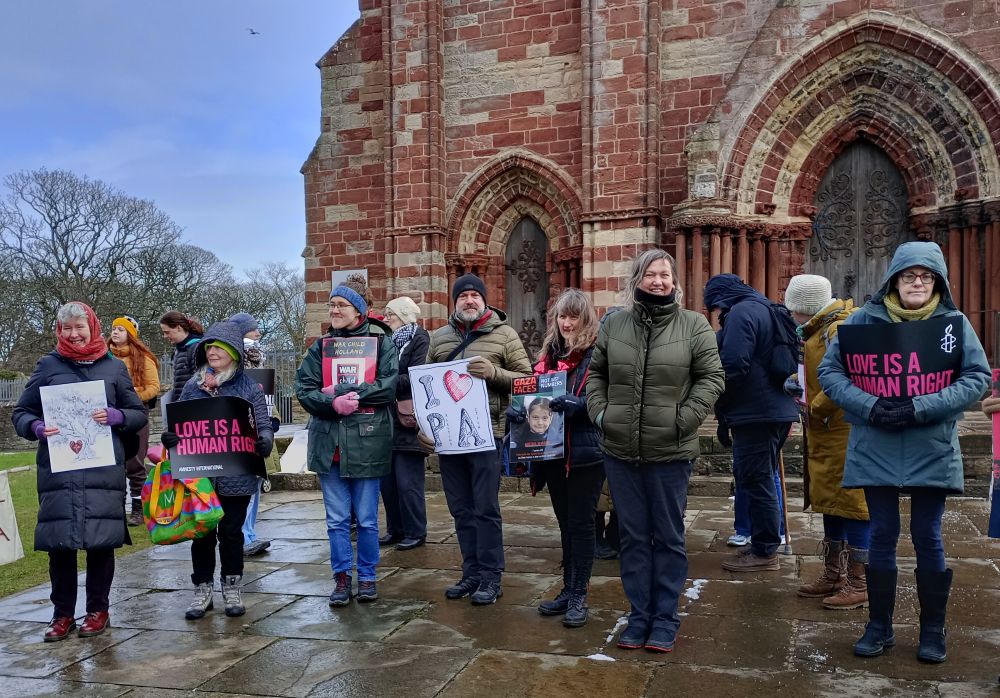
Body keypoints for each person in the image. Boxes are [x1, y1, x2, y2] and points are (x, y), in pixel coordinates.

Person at [818, 241, 990, 662]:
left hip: (930, 443)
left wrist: (919, 406)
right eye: (909, 275)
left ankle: (932, 630)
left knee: (927, 535)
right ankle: (879, 626)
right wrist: (870, 405)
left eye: (926, 276)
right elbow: (831, 372)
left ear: (938, 282)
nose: (918, 282)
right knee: (881, 534)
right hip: (875, 442)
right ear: (894, 279)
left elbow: (976, 377)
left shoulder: (953, 323)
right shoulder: (863, 320)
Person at [588, 250, 725, 652]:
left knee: (667, 536)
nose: (658, 281)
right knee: (631, 537)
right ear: (637, 279)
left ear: (674, 281)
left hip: (670, 452)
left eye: (665, 274)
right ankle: (639, 615)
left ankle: (665, 618)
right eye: (650, 274)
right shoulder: (615, 324)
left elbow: (712, 377)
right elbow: (597, 374)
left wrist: (684, 419)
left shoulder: (694, 325)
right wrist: (602, 414)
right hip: (620, 450)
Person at [12, 301, 147, 641]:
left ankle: (98, 611)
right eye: (67, 328)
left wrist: (117, 416)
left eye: (79, 327)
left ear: (92, 327)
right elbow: (22, 412)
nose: (74, 334)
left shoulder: (114, 368)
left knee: (101, 543)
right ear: (60, 331)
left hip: (102, 470)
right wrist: (36, 427)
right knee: (61, 545)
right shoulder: (48, 365)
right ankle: (62, 615)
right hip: (60, 473)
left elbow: (137, 414)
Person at [424, 273, 532, 605]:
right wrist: (423, 427)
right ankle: (470, 573)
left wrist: (494, 373)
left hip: (487, 436)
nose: (469, 300)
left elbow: (527, 380)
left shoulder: (505, 335)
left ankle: (491, 577)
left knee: (485, 508)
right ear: (454, 302)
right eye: (463, 296)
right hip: (449, 440)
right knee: (461, 509)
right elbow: (424, 385)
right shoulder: (439, 338)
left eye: (475, 295)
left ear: (484, 300)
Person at [160, 321, 274, 620]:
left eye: (218, 347)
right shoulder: (192, 386)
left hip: (237, 474)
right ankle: (202, 588)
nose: (212, 352)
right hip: (201, 476)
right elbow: (178, 423)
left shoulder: (248, 388)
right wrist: (170, 438)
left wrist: (265, 440)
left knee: (232, 533)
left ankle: (232, 586)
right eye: (208, 347)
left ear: (233, 352)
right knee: (202, 533)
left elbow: (262, 423)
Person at [295, 280, 398, 606]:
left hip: (368, 442)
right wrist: (331, 403)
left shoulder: (381, 343)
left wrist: (342, 392)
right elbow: (304, 389)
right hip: (330, 445)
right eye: (332, 305)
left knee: (366, 519)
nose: (334, 310)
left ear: (359, 310)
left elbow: (388, 387)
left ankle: (367, 576)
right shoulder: (321, 346)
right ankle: (341, 577)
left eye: (341, 305)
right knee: (337, 520)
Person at [511, 288, 604, 628]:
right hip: (551, 454)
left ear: (585, 319)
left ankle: (579, 593)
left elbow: (609, 400)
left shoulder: (598, 355)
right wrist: (518, 413)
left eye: (573, 317)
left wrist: (583, 407)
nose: (567, 323)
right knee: (565, 523)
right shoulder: (548, 357)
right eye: (562, 317)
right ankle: (568, 588)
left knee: (581, 524)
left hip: (585, 452)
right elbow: (534, 400)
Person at [783, 274, 870, 610]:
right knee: (831, 502)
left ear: (805, 306)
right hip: (826, 432)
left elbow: (846, 379)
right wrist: (798, 381)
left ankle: (860, 582)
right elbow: (822, 374)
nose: (791, 314)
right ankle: (834, 573)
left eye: (793, 308)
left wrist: (815, 408)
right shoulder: (818, 329)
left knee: (853, 504)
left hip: (843, 431)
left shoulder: (838, 329)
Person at [704, 274, 799, 572]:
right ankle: (763, 542)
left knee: (756, 481)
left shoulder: (741, 313)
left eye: (715, 307)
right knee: (762, 478)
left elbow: (733, 365)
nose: (716, 313)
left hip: (756, 412)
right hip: (774, 409)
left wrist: (721, 406)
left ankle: (765, 550)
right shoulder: (766, 307)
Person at [379, 296, 430, 551]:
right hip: (386, 420)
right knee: (388, 483)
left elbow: (416, 375)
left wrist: (384, 382)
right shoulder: (386, 341)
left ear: (403, 315)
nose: (386, 318)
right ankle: (395, 529)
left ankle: (415, 531)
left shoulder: (420, 338)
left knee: (408, 483)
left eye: (391, 314)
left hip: (409, 420)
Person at [106, 315, 160, 527]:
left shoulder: (143, 359)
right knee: (112, 463)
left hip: (135, 414)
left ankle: (138, 508)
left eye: (121, 329)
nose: (115, 332)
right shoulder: (103, 357)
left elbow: (153, 387)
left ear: (131, 334)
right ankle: (116, 507)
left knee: (135, 463)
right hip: (109, 415)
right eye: (114, 328)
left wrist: (130, 396)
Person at [228, 312, 273, 557]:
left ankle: (248, 534)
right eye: (253, 328)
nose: (257, 333)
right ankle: (245, 535)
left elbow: (264, 391)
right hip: (245, 428)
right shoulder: (240, 357)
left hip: (256, 425)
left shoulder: (258, 355)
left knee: (253, 483)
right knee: (247, 484)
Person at [159, 311, 204, 403]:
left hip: (193, 405)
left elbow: (201, 382)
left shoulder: (197, 348)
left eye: (167, 332)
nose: (164, 336)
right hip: (181, 405)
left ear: (178, 328)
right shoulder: (178, 350)